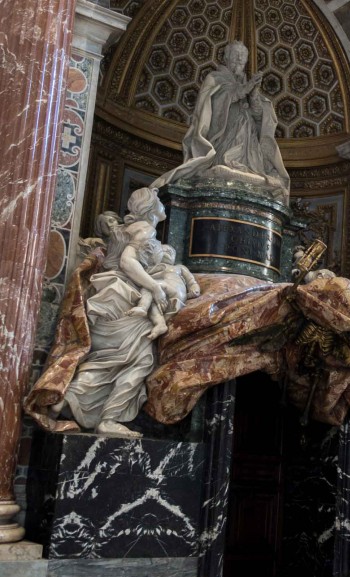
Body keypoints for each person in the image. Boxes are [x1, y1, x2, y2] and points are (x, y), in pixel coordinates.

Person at [49, 188, 175, 437]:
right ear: (150, 208)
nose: (163, 205)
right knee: (140, 360)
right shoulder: (145, 229)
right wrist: (154, 288)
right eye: (158, 200)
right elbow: (128, 262)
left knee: (105, 360)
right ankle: (109, 419)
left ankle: (65, 400)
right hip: (125, 297)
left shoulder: (125, 230)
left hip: (107, 294)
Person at [151, 41, 290, 203]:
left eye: (243, 56)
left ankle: (249, 173)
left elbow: (260, 118)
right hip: (223, 137)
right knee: (222, 167)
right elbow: (212, 105)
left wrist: (253, 95)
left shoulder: (248, 83)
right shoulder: (215, 79)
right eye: (235, 54)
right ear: (225, 57)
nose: (239, 59)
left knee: (256, 173)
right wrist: (243, 90)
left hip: (248, 142)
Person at [123, 225, 200, 339]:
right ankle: (160, 324)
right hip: (164, 298)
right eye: (164, 250)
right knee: (153, 306)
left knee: (150, 287)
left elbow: (191, 281)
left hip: (175, 290)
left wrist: (194, 289)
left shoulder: (179, 267)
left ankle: (142, 307)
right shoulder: (150, 269)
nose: (167, 252)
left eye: (170, 251)